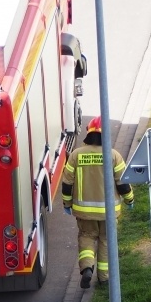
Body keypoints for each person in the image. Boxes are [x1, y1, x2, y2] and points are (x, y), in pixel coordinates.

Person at [61, 116, 134, 288]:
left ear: (89, 132)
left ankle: (87, 267)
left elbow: (67, 183)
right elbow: (122, 183)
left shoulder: (76, 155)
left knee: (86, 237)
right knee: (106, 241)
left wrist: (66, 204)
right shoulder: (113, 155)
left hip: (84, 212)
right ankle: (104, 278)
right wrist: (130, 199)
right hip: (109, 212)